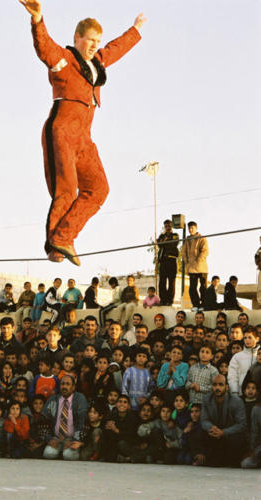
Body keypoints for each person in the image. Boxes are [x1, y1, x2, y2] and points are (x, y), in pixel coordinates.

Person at [19, 0, 146, 265]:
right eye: (89, 40)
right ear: (77, 38)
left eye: (97, 41)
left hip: (84, 138)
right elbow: (44, 48)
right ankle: (56, 245)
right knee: (66, 189)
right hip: (62, 131)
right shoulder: (64, 60)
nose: (94, 45)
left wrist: (134, 31)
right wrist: (38, 20)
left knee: (99, 188)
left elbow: (114, 49)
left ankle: (64, 237)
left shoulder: (97, 62)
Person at [201, 374, 247, 467]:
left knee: (237, 441)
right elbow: (204, 420)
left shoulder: (236, 401)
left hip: (231, 435)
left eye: (220, 385)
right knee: (202, 433)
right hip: (215, 434)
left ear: (227, 387)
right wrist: (211, 428)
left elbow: (242, 424)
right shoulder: (207, 399)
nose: (217, 388)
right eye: (215, 385)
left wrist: (223, 432)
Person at [42, 374, 88, 460]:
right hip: (56, 438)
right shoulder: (53, 399)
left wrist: (75, 440)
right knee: (48, 454)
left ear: (73, 387)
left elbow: (83, 422)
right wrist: (49, 439)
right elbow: (43, 420)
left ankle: (63, 453)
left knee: (69, 456)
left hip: (72, 438)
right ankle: (59, 451)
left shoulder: (80, 399)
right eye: (62, 384)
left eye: (68, 384)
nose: (64, 386)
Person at [181, 221, 209, 311]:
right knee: (192, 288)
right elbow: (183, 252)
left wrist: (198, 260)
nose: (190, 230)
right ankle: (196, 304)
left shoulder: (202, 238)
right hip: (191, 267)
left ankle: (204, 305)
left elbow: (205, 251)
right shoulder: (187, 240)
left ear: (196, 228)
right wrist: (187, 262)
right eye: (189, 228)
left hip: (201, 267)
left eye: (192, 228)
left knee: (203, 287)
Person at [227, 327, 259, 396]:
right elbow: (232, 376)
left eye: (250, 337)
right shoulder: (237, 357)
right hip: (241, 394)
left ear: (257, 339)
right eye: (245, 338)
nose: (247, 340)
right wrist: (234, 392)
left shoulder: (259, 356)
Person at [122, 347, 155, 411]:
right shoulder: (129, 371)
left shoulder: (147, 372)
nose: (141, 358)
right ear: (135, 357)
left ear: (146, 359)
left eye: (144, 356)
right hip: (130, 403)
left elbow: (151, 388)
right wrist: (126, 403)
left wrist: (146, 398)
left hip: (144, 403)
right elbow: (124, 388)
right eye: (139, 356)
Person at [157, 219, 180, 306]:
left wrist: (164, 242)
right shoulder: (161, 236)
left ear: (172, 226)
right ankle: (163, 299)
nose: (168, 228)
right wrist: (164, 241)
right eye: (166, 226)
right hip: (163, 261)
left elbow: (173, 244)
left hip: (171, 259)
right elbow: (159, 245)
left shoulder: (175, 235)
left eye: (169, 226)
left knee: (171, 281)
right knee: (162, 281)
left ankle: (169, 300)